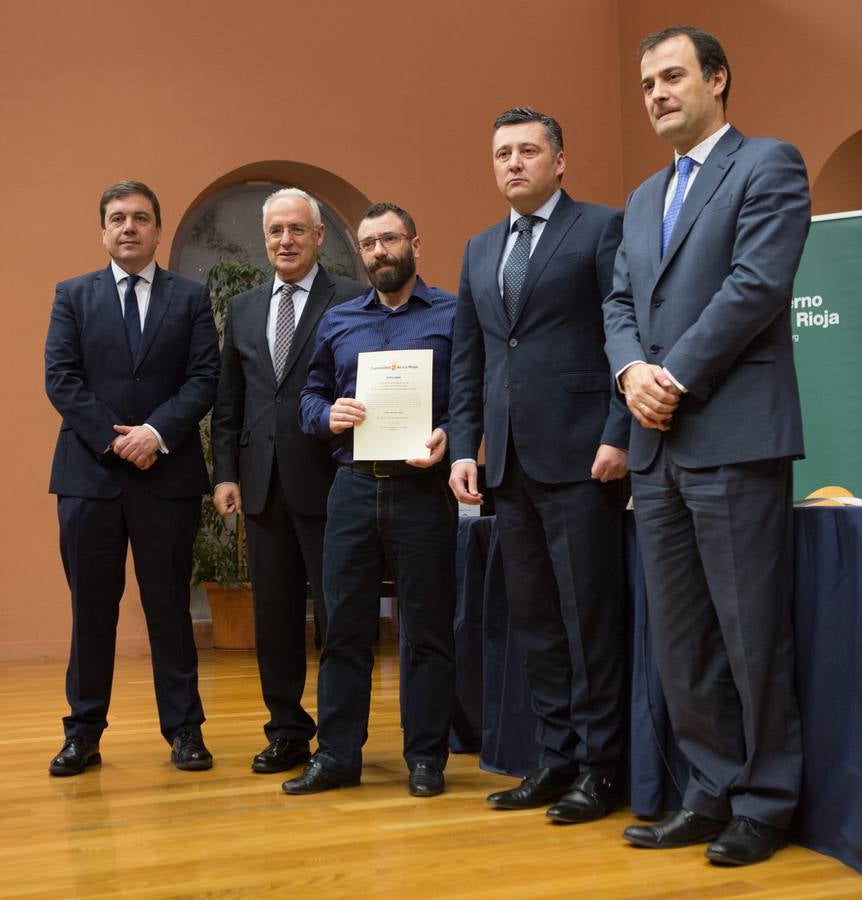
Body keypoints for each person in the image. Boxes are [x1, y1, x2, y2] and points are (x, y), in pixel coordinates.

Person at [603, 26, 809, 865]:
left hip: (730, 436)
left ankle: (767, 799)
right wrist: (628, 377)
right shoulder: (645, 196)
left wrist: (670, 376)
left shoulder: (770, 164)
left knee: (749, 633)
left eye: (673, 75)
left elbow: (754, 286)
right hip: (656, 450)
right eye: (647, 81)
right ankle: (711, 788)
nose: (656, 92)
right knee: (682, 641)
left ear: (718, 79)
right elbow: (618, 303)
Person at [448, 108, 630, 822]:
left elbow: (625, 332)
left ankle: (601, 769)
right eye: (502, 153)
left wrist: (621, 433)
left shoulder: (599, 229)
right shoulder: (479, 247)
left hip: (586, 458)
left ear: (560, 162)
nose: (514, 163)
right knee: (535, 622)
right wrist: (465, 447)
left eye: (528, 150)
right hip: (508, 466)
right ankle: (554, 760)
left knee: (590, 622)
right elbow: (471, 359)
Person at [44, 180, 220, 775]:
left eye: (140, 218)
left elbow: (203, 379)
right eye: (117, 218)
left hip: (166, 477)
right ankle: (83, 733)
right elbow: (61, 378)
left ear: (157, 229)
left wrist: (156, 434)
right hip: (88, 477)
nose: (128, 227)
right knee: (91, 610)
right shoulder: (73, 295)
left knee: (169, 607)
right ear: (102, 229)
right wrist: (118, 440)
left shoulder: (191, 298)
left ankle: (186, 731)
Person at [286, 202, 456, 797]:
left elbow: (470, 400)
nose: (379, 251)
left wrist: (450, 437)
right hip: (353, 490)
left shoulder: (454, 316)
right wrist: (328, 414)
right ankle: (337, 755)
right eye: (367, 244)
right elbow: (308, 398)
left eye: (389, 239)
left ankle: (427, 758)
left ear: (414, 242)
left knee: (429, 630)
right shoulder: (338, 321)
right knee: (342, 630)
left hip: (422, 490)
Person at [210, 188, 362, 774]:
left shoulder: (350, 299)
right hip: (261, 486)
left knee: (338, 616)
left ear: (319, 236)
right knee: (273, 620)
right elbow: (231, 400)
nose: (286, 241)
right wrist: (225, 473)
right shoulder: (245, 308)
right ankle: (287, 732)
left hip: (332, 481)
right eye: (276, 231)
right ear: (265, 237)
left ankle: (340, 738)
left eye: (297, 230)